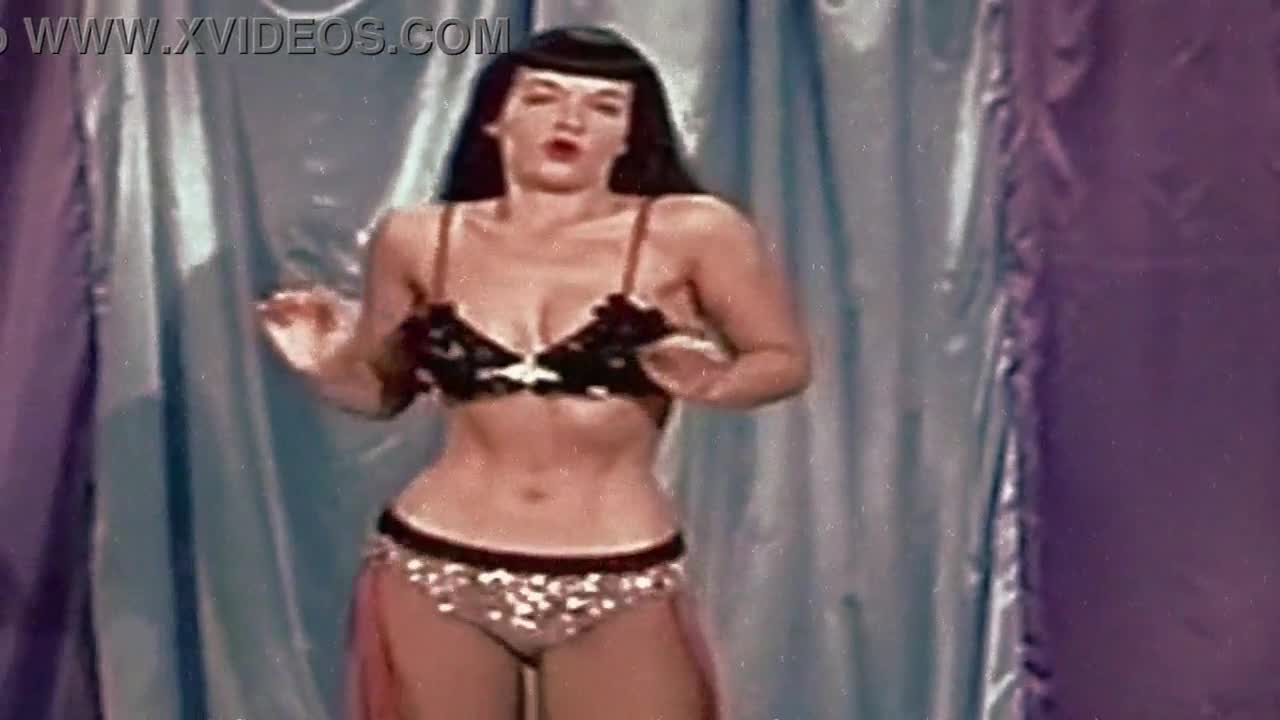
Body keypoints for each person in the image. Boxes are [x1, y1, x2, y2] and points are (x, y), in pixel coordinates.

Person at [257, 25, 811, 720]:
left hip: (615, 572)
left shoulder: (692, 231)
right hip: (434, 566)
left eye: (604, 107)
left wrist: (716, 383)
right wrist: (323, 365)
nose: (571, 120)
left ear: (630, 135)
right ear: (496, 118)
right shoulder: (419, 237)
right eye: (544, 98)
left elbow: (783, 359)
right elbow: (383, 392)